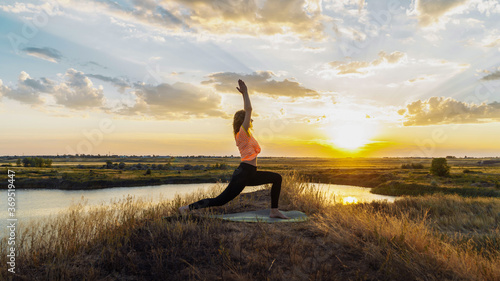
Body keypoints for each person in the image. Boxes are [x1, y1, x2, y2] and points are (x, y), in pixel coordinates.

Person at [178, 79, 289, 219]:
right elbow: (249, 109)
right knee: (220, 201)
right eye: (248, 119)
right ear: (243, 120)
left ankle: (274, 211)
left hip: (251, 173)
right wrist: (245, 93)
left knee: (277, 178)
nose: (251, 120)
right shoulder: (242, 133)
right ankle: (186, 208)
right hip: (244, 173)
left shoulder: (246, 135)